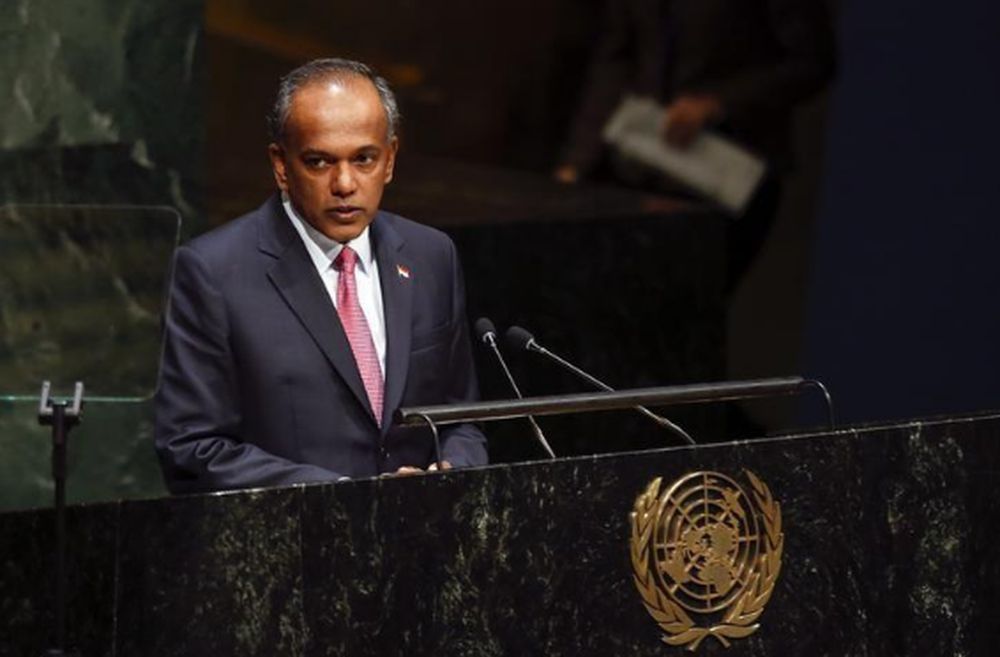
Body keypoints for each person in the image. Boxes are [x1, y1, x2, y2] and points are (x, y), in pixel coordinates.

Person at [154, 58, 487, 494]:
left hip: (421, 543)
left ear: (389, 160)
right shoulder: (213, 272)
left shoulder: (430, 255)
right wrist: (343, 495)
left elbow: (463, 419)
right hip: (293, 545)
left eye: (364, 159)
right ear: (281, 165)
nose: (345, 183)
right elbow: (192, 447)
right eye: (319, 162)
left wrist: (451, 471)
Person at [555, 0, 835, 287]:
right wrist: (576, 163)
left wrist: (718, 104)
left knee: (684, 305)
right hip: (636, 167)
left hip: (726, 173)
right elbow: (615, 59)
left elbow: (812, 61)